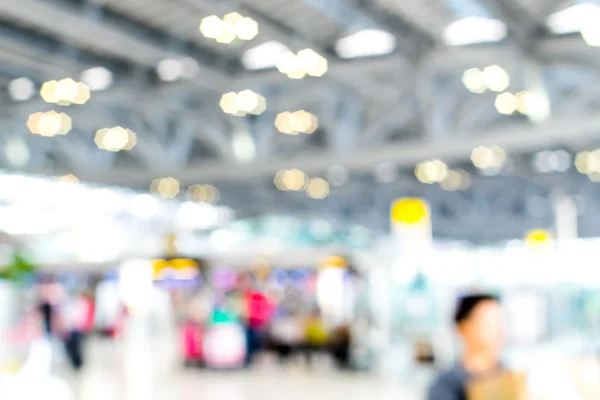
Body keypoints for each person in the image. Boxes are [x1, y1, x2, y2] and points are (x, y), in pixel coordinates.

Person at [427, 294, 504, 400]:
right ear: (463, 327)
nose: (498, 330)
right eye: (489, 323)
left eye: (499, 323)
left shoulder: (511, 377)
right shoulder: (445, 386)